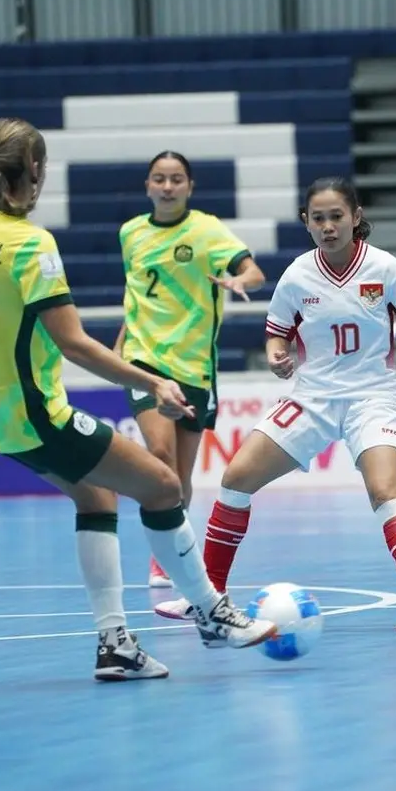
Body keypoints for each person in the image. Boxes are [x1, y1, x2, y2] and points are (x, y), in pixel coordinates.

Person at [0, 118, 276, 682]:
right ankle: (213, 614)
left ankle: (115, 646)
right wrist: (151, 382)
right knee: (164, 486)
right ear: (37, 172)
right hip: (40, 415)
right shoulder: (31, 244)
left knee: (96, 501)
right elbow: (74, 344)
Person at [154, 177, 396, 636]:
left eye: (336, 216)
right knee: (235, 478)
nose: (328, 226)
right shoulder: (297, 275)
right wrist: (275, 355)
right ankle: (207, 599)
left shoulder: (387, 270)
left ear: (355, 216)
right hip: (311, 399)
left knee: (385, 491)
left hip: (372, 398)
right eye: (318, 218)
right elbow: (277, 333)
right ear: (306, 223)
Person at [113, 150, 267, 590]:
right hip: (144, 361)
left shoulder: (206, 229)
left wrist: (242, 281)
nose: (167, 186)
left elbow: (252, 270)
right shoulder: (130, 233)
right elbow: (138, 295)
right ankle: (162, 559)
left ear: (190, 187)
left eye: (176, 179)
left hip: (195, 366)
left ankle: (175, 547)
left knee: (179, 479)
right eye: (159, 179)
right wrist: (122, 345)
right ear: (147, 186)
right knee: (159, 458)